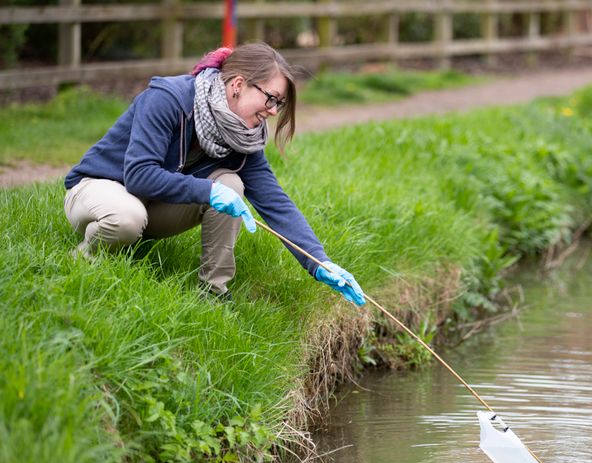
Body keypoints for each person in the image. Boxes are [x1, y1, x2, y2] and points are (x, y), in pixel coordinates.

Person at [62, 42, 365, 306]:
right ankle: (83, 262)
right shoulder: (168, 98)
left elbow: (276, 203)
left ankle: (212, 293)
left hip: (148, 207)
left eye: (279, 104)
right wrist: (207, 192)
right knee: (127, 218)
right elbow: (140, 175)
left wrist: (319, 261)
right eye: (271, 98)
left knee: (230, 184)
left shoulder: (242, 136)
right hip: (99, 191)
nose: (273, 111)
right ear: (237, 84)